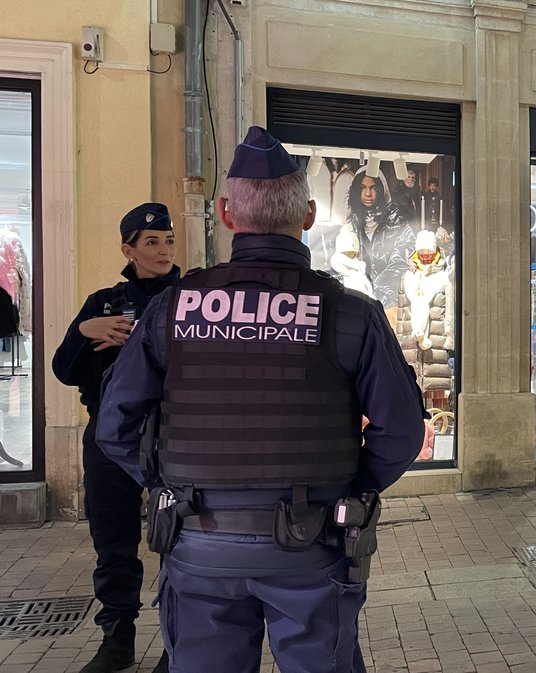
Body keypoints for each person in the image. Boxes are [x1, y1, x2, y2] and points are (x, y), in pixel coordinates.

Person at [96, 127, 432, 673]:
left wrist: (165, 488)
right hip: (314, 546)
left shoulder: (174, 308)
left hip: (197, 546)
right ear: (308, 214)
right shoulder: (351, 313)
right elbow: (401, 433)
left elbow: (114, 427)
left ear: (227, 214)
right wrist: (349, 489)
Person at [52, 203, 178, 673]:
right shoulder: (103, 302)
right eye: (151, 242)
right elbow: (64, 371)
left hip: (172, 432)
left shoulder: (189, 297)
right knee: (113, 541)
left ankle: (176, 643)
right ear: (128, 249)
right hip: (109, 435)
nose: (163, 250)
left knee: (177, 542)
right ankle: (117, 639)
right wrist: (85, 331)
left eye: (167, 241)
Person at [345, 167, 414, 313]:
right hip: (358, 299)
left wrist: (374, 293)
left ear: (382, 190)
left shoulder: (396, 219)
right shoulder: (354, 222)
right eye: (363, 188)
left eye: (373, 188)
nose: (368, 194)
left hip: (388, 302)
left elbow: (400, 263)